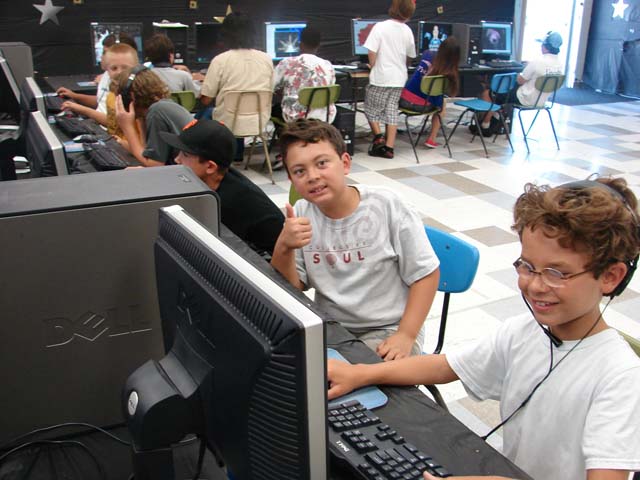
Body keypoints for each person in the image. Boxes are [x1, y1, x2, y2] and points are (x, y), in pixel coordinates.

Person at [327, 177, 640, 480]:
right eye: (527, 267)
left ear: (611, 277)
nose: (535, 286)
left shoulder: (620, 377)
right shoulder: (524, 331)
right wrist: (362, 374)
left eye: (556, 273)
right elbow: (445, 367)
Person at [271, 119, 440, 360]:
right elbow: (292, 289)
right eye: (300, 171)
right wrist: (284, 246)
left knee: (349, 376)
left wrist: (406, 334)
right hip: (331, 329)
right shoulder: (300, 213)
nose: (312, 176)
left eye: (322, 163)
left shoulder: (387, 205)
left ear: (345, 164)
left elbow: (426, 274)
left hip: (389, 328)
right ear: (291, 180)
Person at [159, 119, 284, 257]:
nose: (177, 159)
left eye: (185, 154)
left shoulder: (231, 204)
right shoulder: (214, 182)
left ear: (210, 167)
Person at [200, 12, 273, 162]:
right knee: (235, 109)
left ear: (225, 34)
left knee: (205, 113)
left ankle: (202, 158)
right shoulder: (266, 59)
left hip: (228, 124)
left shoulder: (220, 60)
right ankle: (237, 155)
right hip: (258, 123)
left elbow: (206, 99)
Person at [476, 31, 564, 136]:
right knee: (502, 93)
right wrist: (529, 67)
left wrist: (521, 71)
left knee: (490, 93)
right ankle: (496, 119)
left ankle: (485, 126)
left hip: (525, 98)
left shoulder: (538, 61)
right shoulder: (560, 64)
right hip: (541, 101)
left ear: (545, 46)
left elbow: (520, 80)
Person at [363, 0, 417, 159]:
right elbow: (410, 56)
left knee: (371, 108)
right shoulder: (407, 30)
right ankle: (389, 148)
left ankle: (379, 137)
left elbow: (371, 51)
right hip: (399, 78)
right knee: (391, 110)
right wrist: (403, 66)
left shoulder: (380, 27)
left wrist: (372, 66)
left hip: (381, 76)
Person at [114, 66, 192, 167]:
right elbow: (146, 152)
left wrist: (127, 127)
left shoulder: (157, 111)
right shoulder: (161, 106)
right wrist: (140, 120)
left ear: (130, 97)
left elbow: (154, 165)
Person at [57, 33, 137, 119]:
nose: (102, 57)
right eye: (114, 68)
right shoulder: (107, 75)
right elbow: (100, 101)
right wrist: (74, 96)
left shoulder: (130, 87)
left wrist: (82, 110)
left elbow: (114, 122)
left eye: (105, 52)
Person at [400, 36, 460, 149]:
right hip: (422, 106)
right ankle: (431, 139)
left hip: (402, 101)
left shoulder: (427, 54)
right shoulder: (449, 72)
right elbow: (442, 98)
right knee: (442, 104)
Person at [272, 26, 336, 124]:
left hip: (296, 119)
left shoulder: (287, 63)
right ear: (319, 45)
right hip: (324, 118)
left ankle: (286, 133)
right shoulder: (328, 65)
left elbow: (272, 86)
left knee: (275, 109)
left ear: (300, 44)